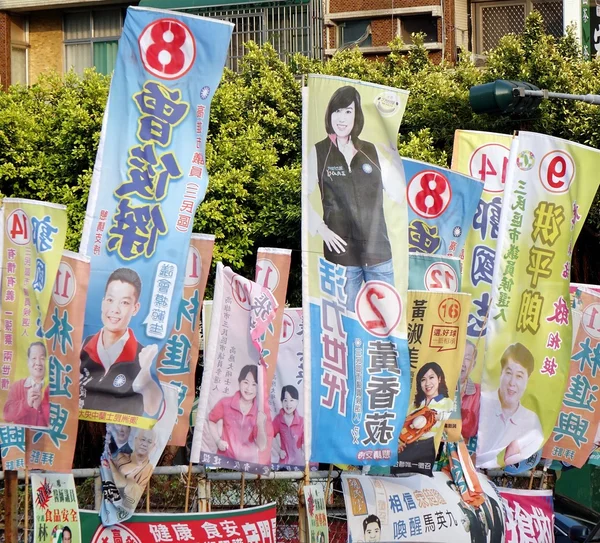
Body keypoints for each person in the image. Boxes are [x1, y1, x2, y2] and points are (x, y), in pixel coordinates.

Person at [306, 85, 405, 312]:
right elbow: (304, 195)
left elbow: (399, 193)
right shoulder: (319, 152)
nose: (342, 118)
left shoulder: (373, 152)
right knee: (344, 322)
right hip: (342, 258)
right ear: (329, 114)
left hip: (378, 252)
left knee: (384, 322)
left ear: (356, 115)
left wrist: (394, 161)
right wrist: (321, 229)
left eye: (348, 111)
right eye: (337, 111)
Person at [80, 268, 163, 418]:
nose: (115, 309)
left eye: (124, 302)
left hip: (119, 439)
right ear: (103, 302)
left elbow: (152, 408)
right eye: (110, 300)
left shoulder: (142, 357)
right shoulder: (84, 346)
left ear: (135, 308)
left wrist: (145, 376)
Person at [477, 343, 543, 468]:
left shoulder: (532, 422)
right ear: (501, 373)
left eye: (519, 376)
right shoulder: (481, 402)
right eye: (508, 373)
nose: (512, 383)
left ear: (527, 380)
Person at [208, 365, 272, 463]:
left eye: (254, 384)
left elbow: (262, 446)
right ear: (239, 382)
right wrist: (217, 441)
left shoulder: (259, 411)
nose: (249, 388)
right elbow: (211, 420)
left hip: (248, 464)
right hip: (225, 461)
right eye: (246, 382)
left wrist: (261, 426)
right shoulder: (225, 403)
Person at [398, 362, 454, 460]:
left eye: (431, 377)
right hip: (409, 447)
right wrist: (400, 443)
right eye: (423, 380)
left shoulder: (446, 402)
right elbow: (403, 423)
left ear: (439, 379)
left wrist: (437, 417)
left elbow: (452, 421)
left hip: (430, 447)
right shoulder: (415, 403)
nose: (427, 383)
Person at [3, 341, 50, 426]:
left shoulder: (53, 389)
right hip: (22, 437)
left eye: (42, 358)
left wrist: (40, 407)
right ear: (28, 362)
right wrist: (27, 403)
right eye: (34, 358)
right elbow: (6, 416)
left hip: (45, 438)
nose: (38, 363)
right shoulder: (17, 386)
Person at [110, 428, 156, 510]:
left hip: (133, 508)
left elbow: (138, 494)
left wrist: (129, 482)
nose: (144, 444)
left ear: (153, 446)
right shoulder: (120, 457)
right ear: (135, 440)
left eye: (149, 442)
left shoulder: (149, 468)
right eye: (142, 439)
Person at [272, 385, 304, 466]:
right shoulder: (278, 419)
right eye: (285, 400)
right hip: (284, 462)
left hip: (299, 463)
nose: (288, 404)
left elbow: (305, 442)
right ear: (281, 401)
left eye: (292, 400)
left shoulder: (302, 421)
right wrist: (279, 451)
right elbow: (269, 435)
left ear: (297, 402)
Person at [460, 340, 481, 439]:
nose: (462, 363)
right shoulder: (434, 387)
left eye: (467, 358)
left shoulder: (480, 394)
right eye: (459, 356)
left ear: (473, 365)